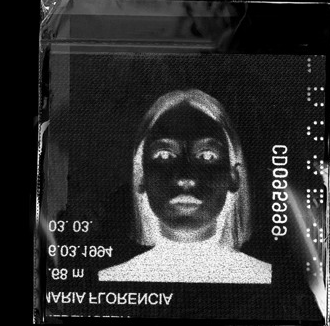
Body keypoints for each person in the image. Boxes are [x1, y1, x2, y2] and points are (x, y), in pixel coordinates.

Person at [98, 89, 272, 284]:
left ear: (233, 177)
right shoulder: (110, 280)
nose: (185, 177)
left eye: (207, 156)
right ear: (140, 177)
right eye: (165, 155)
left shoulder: (269, 279)